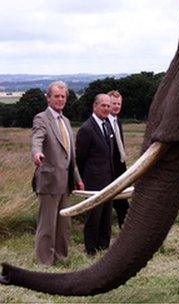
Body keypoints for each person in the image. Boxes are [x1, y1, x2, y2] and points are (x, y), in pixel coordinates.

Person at [31, 81, 84, 266]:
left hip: (66, 183)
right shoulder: (41, 118)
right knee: (47, 226)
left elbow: (71, 155)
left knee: (63, 226)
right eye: (56, 96)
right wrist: (36, 153)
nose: (60, 100)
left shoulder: (66, 121)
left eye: (63, 96)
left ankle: (61, 258)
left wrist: (77, 179)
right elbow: (37, 138)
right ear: (48, 98)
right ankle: (44, 263)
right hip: (49, 181)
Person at [76, 94, 114, 255]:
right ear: (95, 106)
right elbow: (80, 158)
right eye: (103, 105)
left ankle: (104, 247)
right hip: (93, 181)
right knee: (93, 217)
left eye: (108, 106)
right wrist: (85, 179)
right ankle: (90, 250)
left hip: (109, 180)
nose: (106, 108)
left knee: (107, 216)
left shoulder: (108, 125)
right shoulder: (86, 128)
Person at [107, 90, 130, 228]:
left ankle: (125, 229)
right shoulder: (104, 123)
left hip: (120, 169)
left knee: (123, 204)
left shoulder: (118, 122)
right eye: (113, 103)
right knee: (115, 205)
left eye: (119, 104)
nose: (116, 106)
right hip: (109, 171)